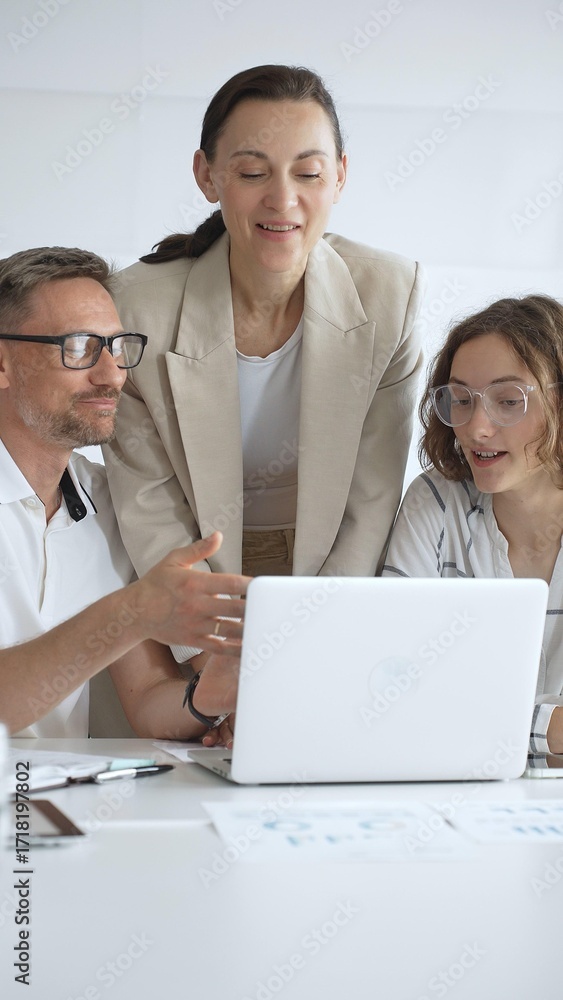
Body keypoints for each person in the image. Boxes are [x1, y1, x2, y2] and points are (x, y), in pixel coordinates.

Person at [104, 64, 424, 590]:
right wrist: (210, 652)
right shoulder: (136, 309)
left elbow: (371, 501)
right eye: (253, 173)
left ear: (340, 175)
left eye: (308, 173)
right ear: (207, 175)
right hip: (172, 569)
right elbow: (149, 507)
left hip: (330, 573)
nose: (282, 199)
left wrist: (312, 631)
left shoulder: (390, 295)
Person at [0, 246, 249, 742]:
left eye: (116, 346)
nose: (112, 374)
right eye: (78, 347)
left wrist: (209, 699)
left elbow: (148, 697)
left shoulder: (106, 499)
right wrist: (132, 612)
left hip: (53, 802)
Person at [383, 293, 563, 755]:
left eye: (507, 401)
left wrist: (487, 717)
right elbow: (393, 684)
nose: (476, 428)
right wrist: (552, 730)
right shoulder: (435, 501)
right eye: (461, 399)